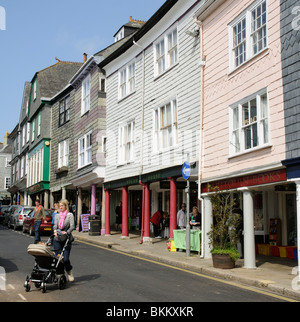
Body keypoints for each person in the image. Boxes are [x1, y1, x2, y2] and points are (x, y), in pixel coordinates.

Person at [53, 199, 75, 282]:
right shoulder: (57, 215)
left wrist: (67, 232)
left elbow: (72, 226)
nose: (60, 207)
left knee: (65, 259)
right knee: (58, 257)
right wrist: (55, 231)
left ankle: (69, 271)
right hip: (57, 238)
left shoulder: (70, 215)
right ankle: (60, 274)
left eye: (62, 205)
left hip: (66, 239)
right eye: (59, 206)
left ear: (66, 206)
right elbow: (55, 225)